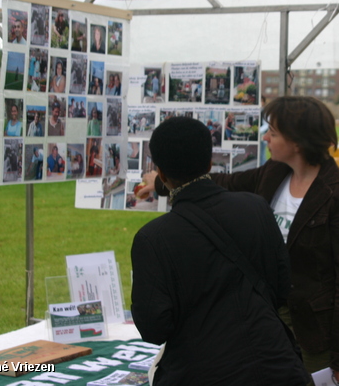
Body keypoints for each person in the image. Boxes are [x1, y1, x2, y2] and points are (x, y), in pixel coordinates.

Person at [140, 96, 339, 382]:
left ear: (297, 141)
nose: (265, 137)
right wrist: (163, 181)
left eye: (272, 132)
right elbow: (221, 183)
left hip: (314, 334)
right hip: (270, 326)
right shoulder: (274, 173)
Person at [131, 116, 309, 386]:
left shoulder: (153, 238)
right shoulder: (256, 208)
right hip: (273, 365)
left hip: (201, 371)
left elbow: (154, 328)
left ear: (162, 174)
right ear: (210, 162)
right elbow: (281, 286)